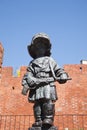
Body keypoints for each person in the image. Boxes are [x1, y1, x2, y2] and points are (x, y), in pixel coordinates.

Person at [21, 33, 70, 127]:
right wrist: (30, 80)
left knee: (47, 100)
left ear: (46, 49)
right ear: (34, 49)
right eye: (38, 46)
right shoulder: (32, 63)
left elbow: (59, 70)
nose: (40, 48)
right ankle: (38, 120)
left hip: (48, 84)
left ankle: (48, 119)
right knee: (37, 103)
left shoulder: (50, 60)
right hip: (36, 85)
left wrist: (63, 75)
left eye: (42, 46)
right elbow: (28, 74)